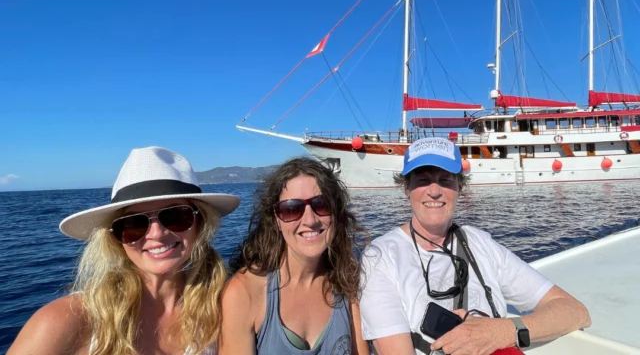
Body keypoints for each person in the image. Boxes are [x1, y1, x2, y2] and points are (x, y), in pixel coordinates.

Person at [358, 137, 591, 355]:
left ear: (460, 187)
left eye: (445, 180)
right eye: (422, 180)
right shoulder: (381, 256)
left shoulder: (480, 243)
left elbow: (575, 312)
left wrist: (500, 331)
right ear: (406, 189)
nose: (435, 191)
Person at [8, 146, 240, 355]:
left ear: (200, 224)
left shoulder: (228, 307)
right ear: (115, 237)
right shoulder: (66, 321)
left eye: (176, 216)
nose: (157, 234)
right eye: (133, 224)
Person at [218, 157, 370, 355]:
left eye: (322, 204)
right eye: (291, 209)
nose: (310, 220)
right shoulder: (244, 294)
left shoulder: (347, 283)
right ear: (276, 220)